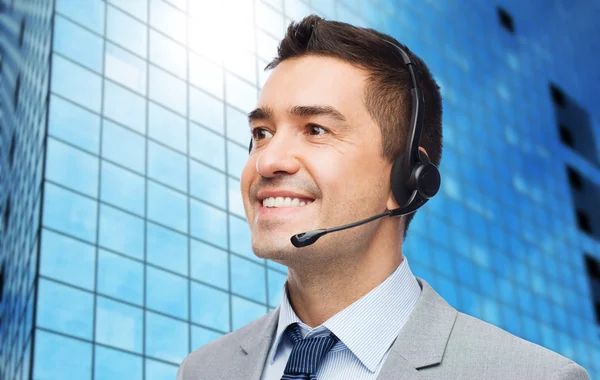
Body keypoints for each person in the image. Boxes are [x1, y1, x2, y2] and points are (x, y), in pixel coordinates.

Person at [177, 14, 590, 380]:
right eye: (261, 133)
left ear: (407, 179)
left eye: (315, 129)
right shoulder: (202, 370)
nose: (267, 161)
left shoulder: (532, 376)